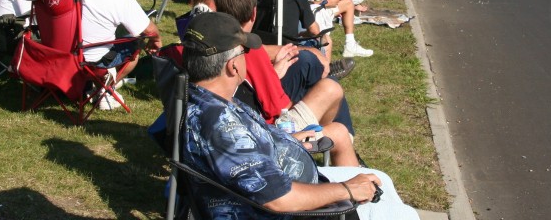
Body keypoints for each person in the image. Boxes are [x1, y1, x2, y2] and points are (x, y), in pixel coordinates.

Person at [180, 11, 420, 219]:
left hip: (295, 185)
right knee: (403, 214)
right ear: (232, 66)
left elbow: (246, 157)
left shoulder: (210, 99)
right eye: (243, 52)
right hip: (295, 212)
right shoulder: (220, 125)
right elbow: (278, 198)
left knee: (381, 179)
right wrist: (346, 190)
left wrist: (290, 141)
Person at [212, 0, 359, 166]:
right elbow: (275, 106)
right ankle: (346, 151)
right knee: (331, 92)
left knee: (316, 75)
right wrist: (281, 84)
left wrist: (273, 74)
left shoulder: (207, 46)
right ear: (253, 14)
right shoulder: (249, 50)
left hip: (233, 128)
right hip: (265, 136)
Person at [13, 0, 162, 109]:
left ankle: (92, 88)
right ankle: (104, 89)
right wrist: (156, 40)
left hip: (54, 59)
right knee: (136, 43)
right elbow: (148, 31)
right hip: (92, 65)